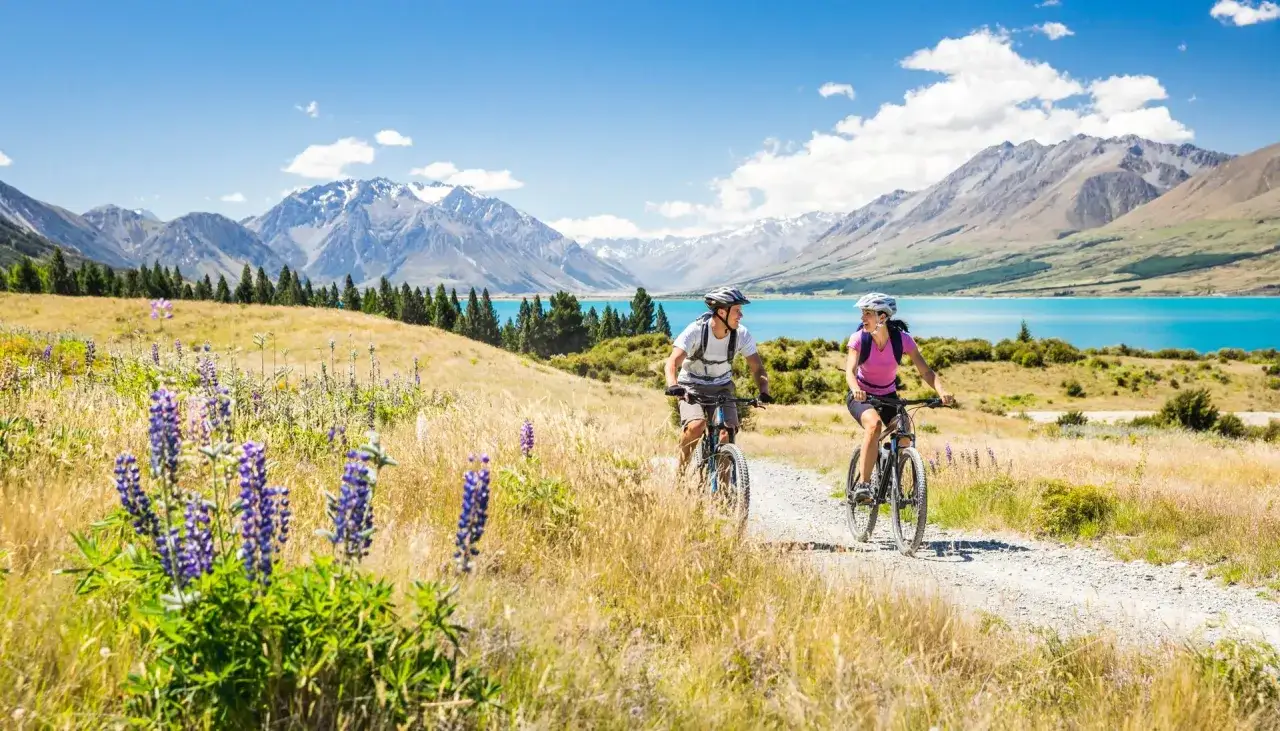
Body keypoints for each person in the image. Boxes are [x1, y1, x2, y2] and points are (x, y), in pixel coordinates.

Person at [845, 292, 953, 506]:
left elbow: (926, 371)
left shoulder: (902, 340)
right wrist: (856, 388)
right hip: (862, 395)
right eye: (862, 313)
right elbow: (850, 371)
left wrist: (941, 391)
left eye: (867, 313)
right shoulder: (859, 339)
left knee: (905, 434)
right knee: (874, 426)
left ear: (882, 317)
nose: (862, 318)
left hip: (888, 396)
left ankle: (889, 464)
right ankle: (864, 485)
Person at [664, 285, 773, 474]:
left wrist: (764, 390)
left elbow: (757, 368)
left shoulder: (741, 334)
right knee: (696, 425)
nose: (741, 316)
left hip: (722, 387)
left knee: (726, 433)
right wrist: (674, 385)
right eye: (737, 311)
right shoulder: (696, 331)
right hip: (691, 386)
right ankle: (680, 473)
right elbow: (672, 362)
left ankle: (723, 496)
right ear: (722, 312)